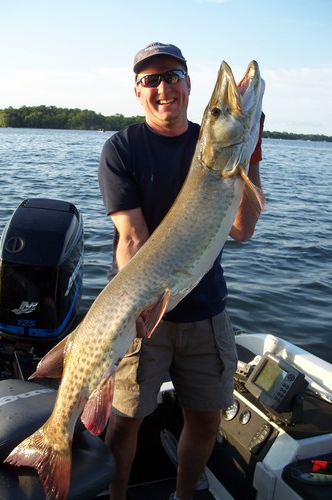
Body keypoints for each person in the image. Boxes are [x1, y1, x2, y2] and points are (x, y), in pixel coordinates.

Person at [98, 42, 264, 500]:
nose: (163, 87)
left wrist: (251, 154)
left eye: (173, 75)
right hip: (142, 314)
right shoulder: (122, 149)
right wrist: (133, 309)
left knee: (207, 418)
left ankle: (185, 495)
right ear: (138, 91)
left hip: (206, 311)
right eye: (150, 79)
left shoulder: (213, 147)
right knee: (126, 419)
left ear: (188, 84)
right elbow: (131, 239)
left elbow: (243, 229)